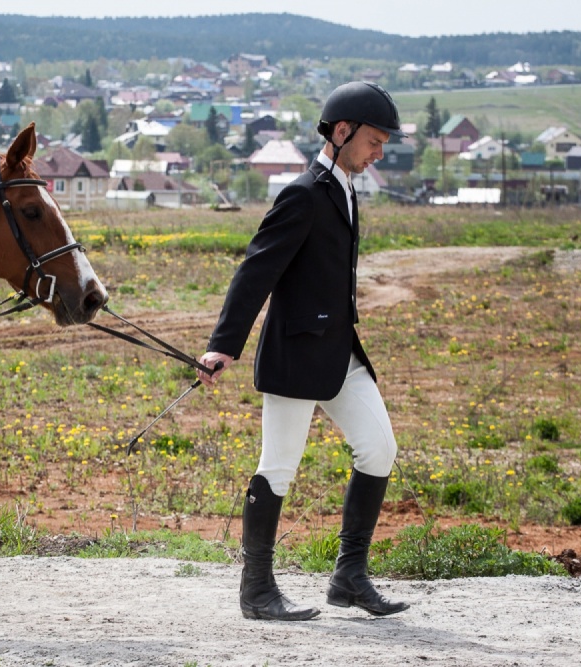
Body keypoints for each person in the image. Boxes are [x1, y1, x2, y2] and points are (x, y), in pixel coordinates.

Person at [197, 81, 410, 621]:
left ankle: (349, 577)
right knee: (278, 469)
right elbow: (257, 269)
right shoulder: (303, 193)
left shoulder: (346, 190)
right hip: (295, 355)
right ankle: (257, 590)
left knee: (379, 449)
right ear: (342, 132)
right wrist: (223, 346)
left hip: (342, 352)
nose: (379, 151)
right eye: (374, 141)